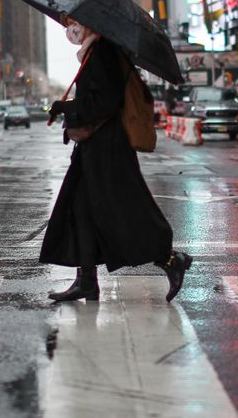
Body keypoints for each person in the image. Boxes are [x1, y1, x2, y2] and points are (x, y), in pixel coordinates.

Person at [41, 18, 192, 302]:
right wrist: (70, 109)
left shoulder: (104, 52)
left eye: (75, 23)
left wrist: (67, 107)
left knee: (121, 210)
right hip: (96, 149)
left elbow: (106, 102)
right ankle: (86, 280)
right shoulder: (96, 52)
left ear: (90, 25)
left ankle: (171, 259)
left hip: (108, 150)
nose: (71, 28)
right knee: (81, 211)